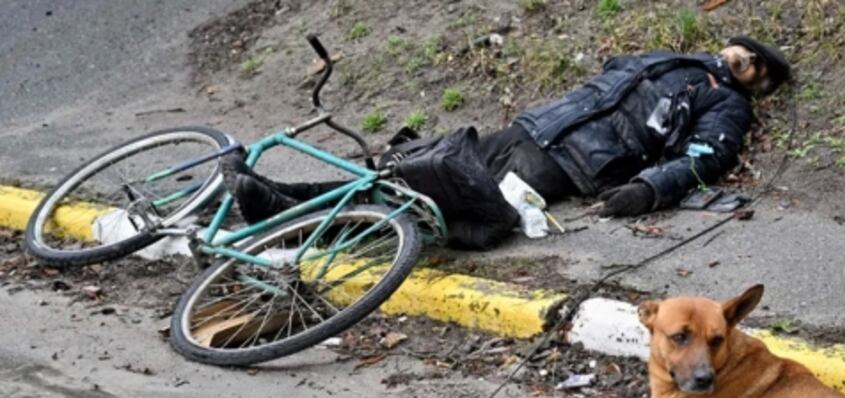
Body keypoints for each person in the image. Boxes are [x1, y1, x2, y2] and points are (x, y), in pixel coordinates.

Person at [223, 35, 790, 244]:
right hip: (534, 128)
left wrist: (647, 188)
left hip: (567, 166)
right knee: (410, 171)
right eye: (745, 50)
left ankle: (286, 219)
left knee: (439, 204)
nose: (745, 56)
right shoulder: (674, 58)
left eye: (756, 63)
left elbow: (705, 158)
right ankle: (289, 196)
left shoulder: (726, 104)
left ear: (757, 81)